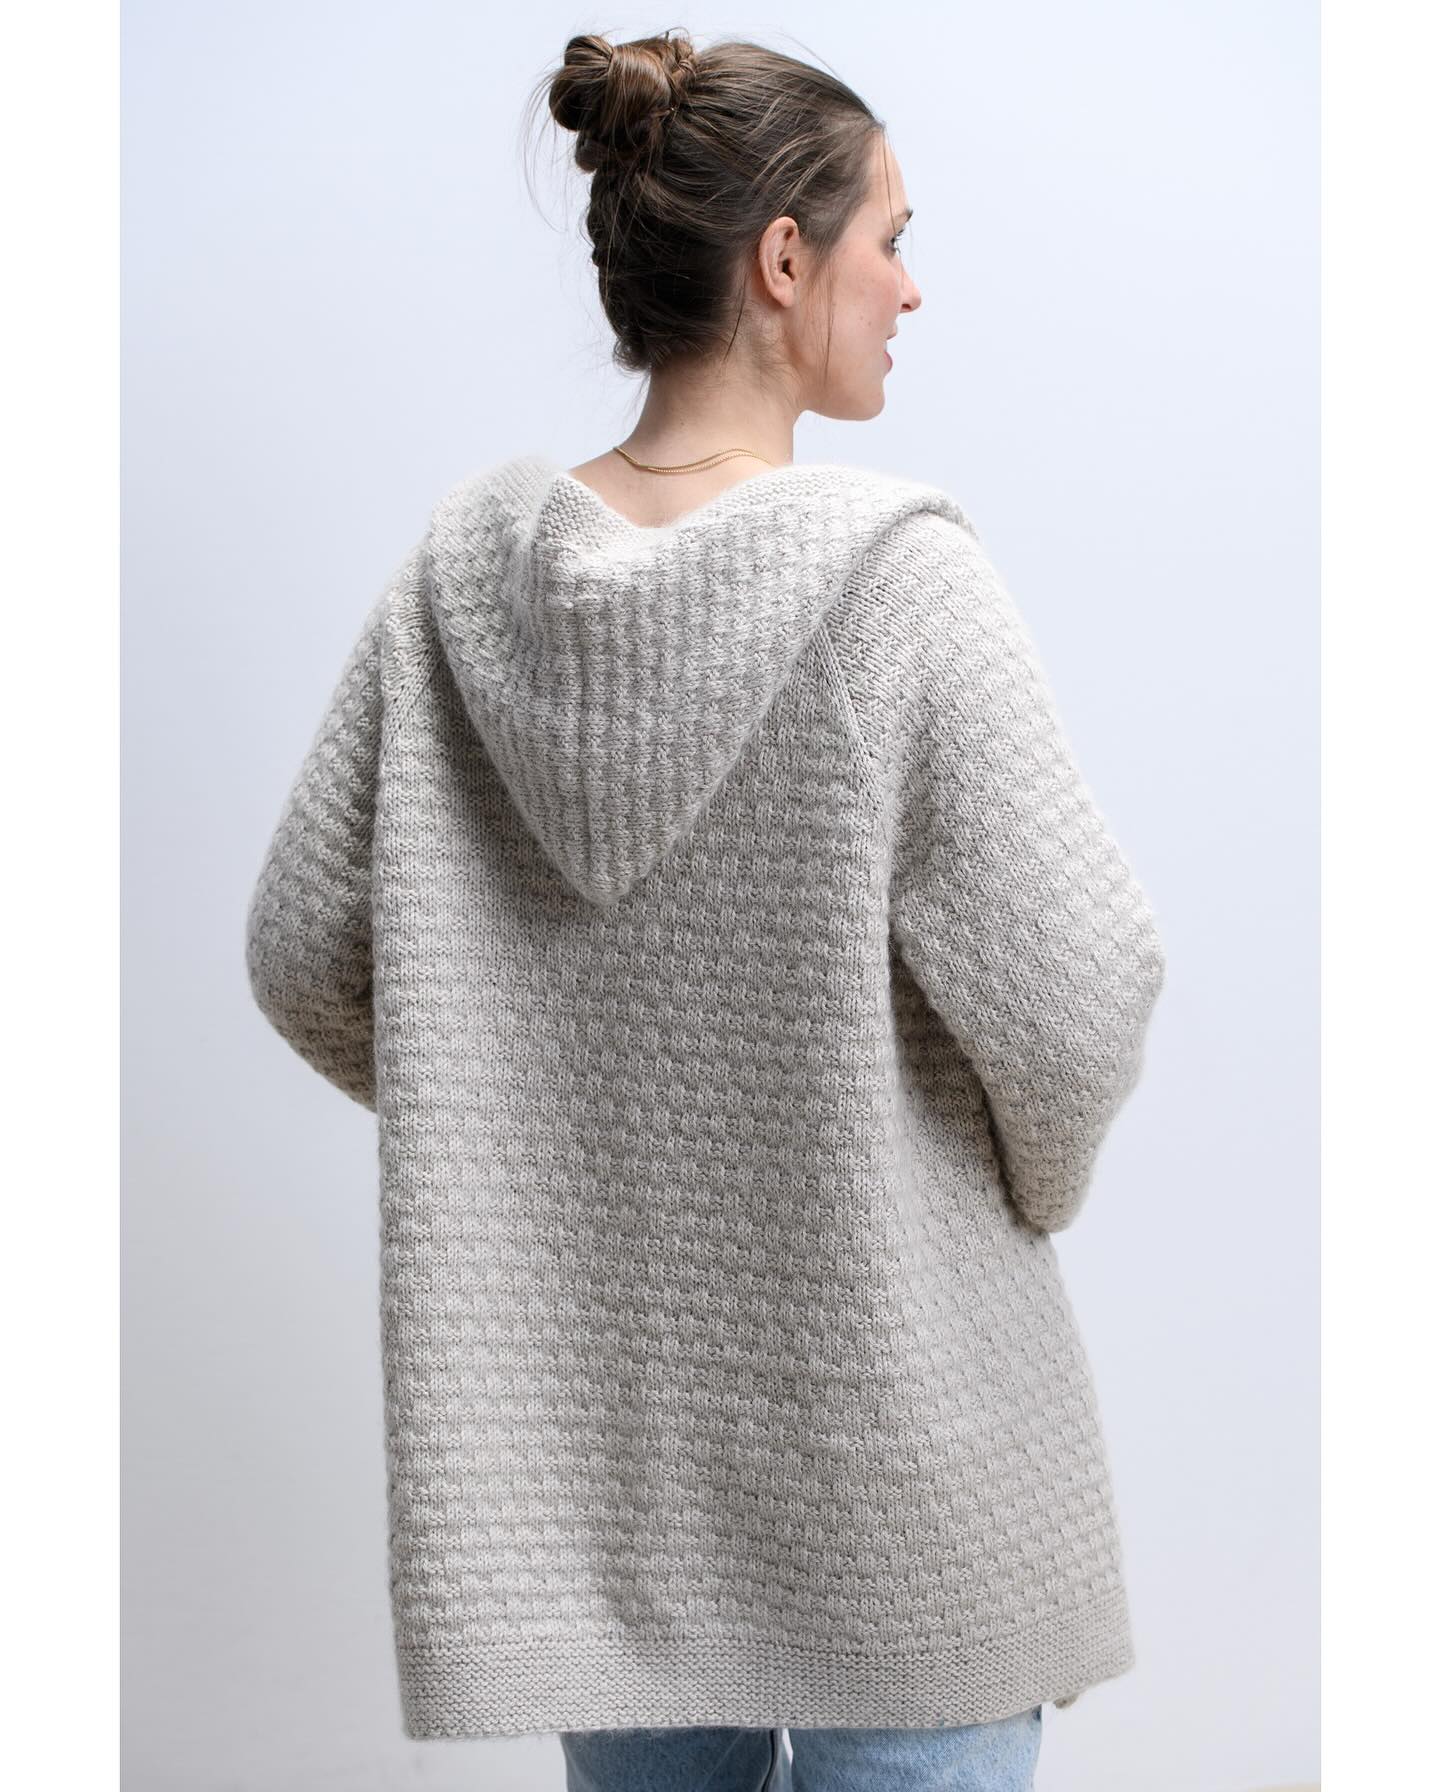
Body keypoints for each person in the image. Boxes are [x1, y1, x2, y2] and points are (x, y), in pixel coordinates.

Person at [244, 26, 1165, 1792]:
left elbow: (303, 953)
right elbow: (1084, 985)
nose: (914, 287)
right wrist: (1023, 1185)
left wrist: (517, 1112)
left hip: (606, 1493)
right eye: (892, 237)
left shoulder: (455, 595)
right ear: (785, 260)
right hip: (904, 1462)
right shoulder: (900, 592)